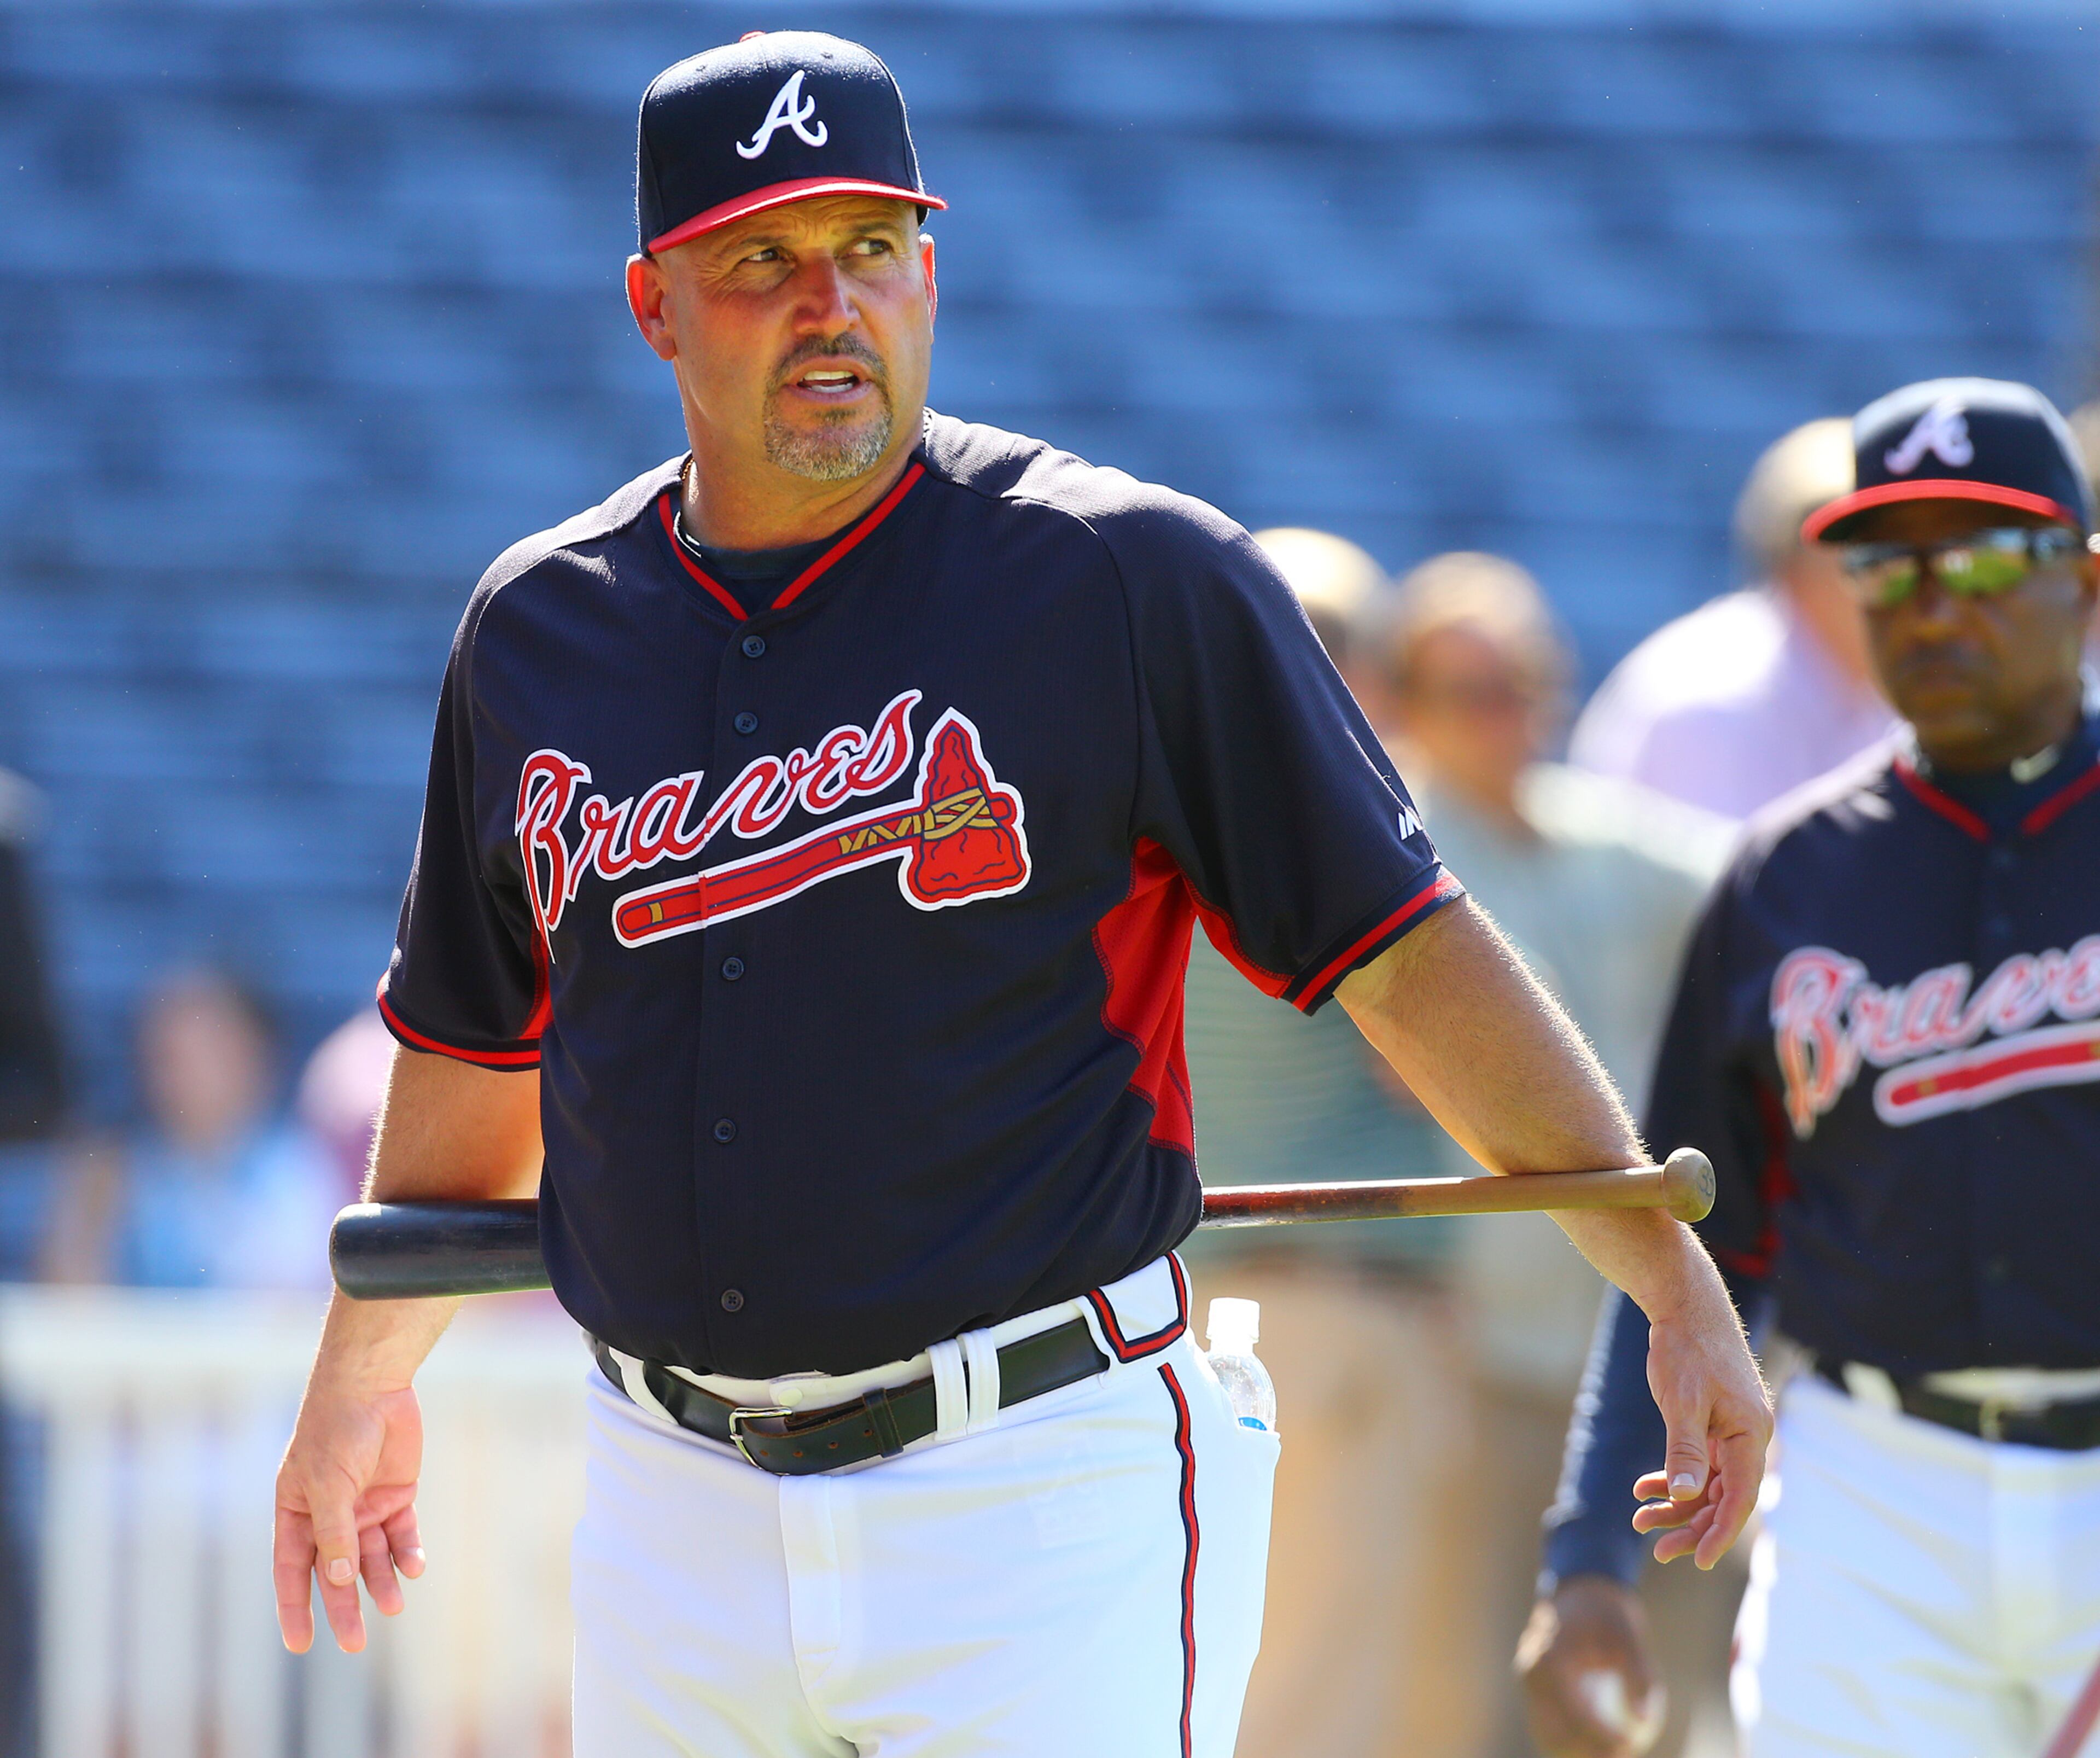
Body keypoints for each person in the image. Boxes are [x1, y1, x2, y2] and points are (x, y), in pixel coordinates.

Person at [270, 34, 1768, 1757]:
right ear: (653, 305)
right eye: (761, 258)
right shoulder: (539, 631)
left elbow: (1406, 959)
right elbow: (479, 1049)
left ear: (930, 268)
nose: (830, 302)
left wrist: (1666, 1278)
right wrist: (358, 1388)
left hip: (1037, 1483)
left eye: (872, 247)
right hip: (670, 1496)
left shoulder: (1121, 577)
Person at [1519, 377, 2100, 1758]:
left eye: (1978, 558)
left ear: (2080, 578)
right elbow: (1677, 1247)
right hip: (1873, 1493)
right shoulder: (1783, 879)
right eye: (1885, 566)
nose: (1929, 602)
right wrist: (1584, 1549)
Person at [1368, 552, 1731, 1758]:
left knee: (1669, 1687)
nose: (1507, 712)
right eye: (1469, 688)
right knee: (1463, 1694)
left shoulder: (1602, 838)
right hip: (1479, 1345)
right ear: (1408, 701)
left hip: (1632, 1340)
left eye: (1524, 680)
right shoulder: (1384, 851)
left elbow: (1767, 887)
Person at [1179, 528, 1477, 1758]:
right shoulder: (1330, 832)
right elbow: (1441, 1062)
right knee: (1328, 1677)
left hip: (1201, 1294)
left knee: (1243, 1646)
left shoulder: (1153, 813)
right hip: (1336, 1305)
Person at [1570, 418, 1897, 819]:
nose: (1896, 571)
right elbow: (1723, 877)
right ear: (1793, 564)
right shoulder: (1707, 704)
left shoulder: (1880, 684)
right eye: (1866, 551)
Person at [43, 968, 340, 1290]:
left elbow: (293, 1311)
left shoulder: (305, 1168)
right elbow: (70, 1303)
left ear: (255, 1054)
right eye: (166, 1056)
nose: (181, 1075)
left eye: (205, 1051)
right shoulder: (108, 1172)